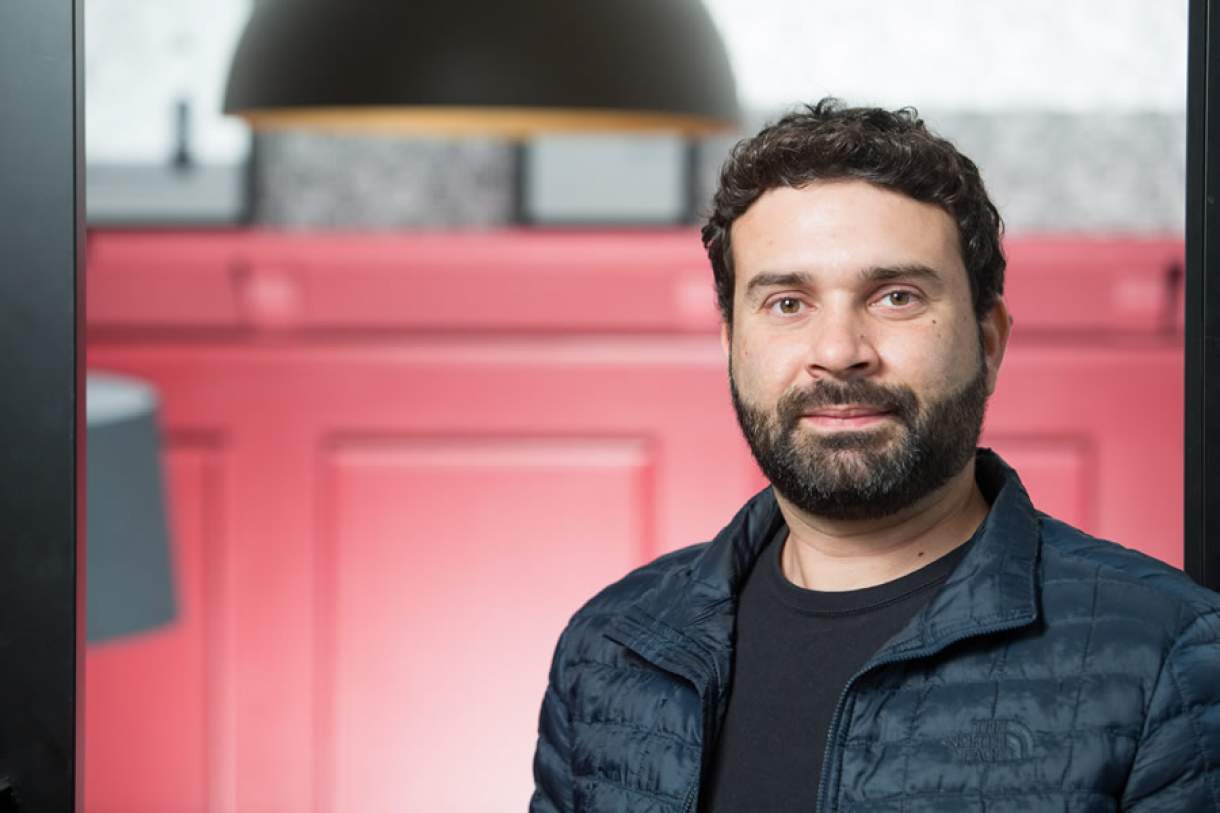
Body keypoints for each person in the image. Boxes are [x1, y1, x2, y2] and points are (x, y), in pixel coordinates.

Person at [528, 99, 1220, 812]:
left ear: (988, 342)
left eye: (896, 297)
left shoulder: (1170, 656)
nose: (838, 352)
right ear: (731, 344)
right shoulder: (611, 647)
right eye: (788, 303)